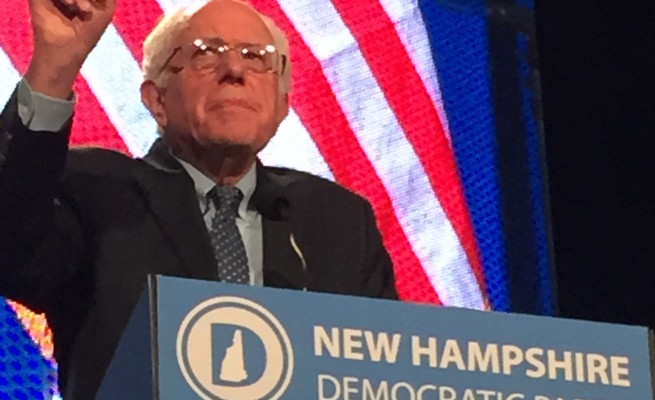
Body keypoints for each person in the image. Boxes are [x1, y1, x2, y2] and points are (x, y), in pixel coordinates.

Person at [0, 0, 398, 398]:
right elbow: (13, 253)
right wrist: (55, 66)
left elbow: (389, 371)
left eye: (257, 58)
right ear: (157, 100)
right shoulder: (97, 193)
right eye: (206, 53)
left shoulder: (337, 219)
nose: (235, 70)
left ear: (281, 107)